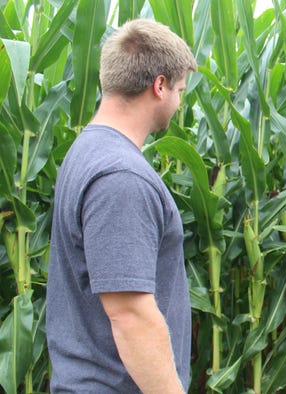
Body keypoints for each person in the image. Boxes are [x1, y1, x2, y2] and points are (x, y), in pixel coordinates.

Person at [46, 19, 197, 392]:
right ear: (159, 86)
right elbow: (131, 316)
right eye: (179, 89)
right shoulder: (121, 177)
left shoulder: (88, 150)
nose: (178, 102)